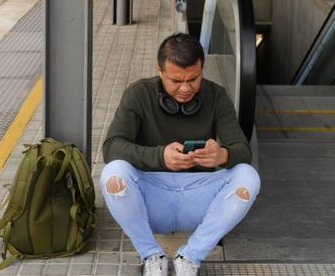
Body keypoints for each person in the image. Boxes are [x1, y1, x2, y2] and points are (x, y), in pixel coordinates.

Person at [101, 33, 260, 276]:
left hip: (199, 197)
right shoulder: (138, 94)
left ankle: (191, 256)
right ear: (159, 70)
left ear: (202, 69)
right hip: (151, 197)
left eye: (193, 79)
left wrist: (222, 155)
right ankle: (151, 255)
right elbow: (111, 147)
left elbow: (243, 149)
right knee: (113, 173)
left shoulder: (217, 96)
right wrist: (160, 156)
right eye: (176, 80)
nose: (185, 88)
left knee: (248, 176)